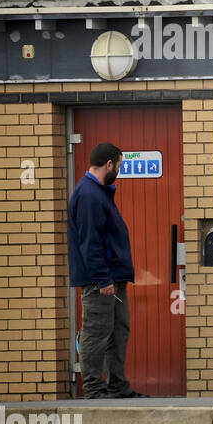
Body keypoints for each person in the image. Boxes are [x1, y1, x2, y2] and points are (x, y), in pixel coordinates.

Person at [68, 142, 146, 399]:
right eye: (120, 165)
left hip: (113, 278)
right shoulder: (89, 195)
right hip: (101, 281)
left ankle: (117, 387)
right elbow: (90, 241)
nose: (120, 171)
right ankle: (94, 389)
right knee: (97, 332)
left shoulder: (98, 192)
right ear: (109, 164)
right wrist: (103, 278)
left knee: (118, 332)